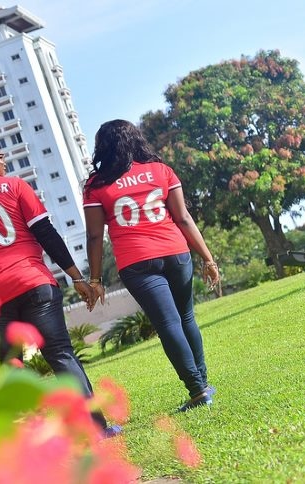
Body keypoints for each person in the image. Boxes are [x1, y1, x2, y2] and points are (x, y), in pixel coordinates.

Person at [0, 138, 118, 436]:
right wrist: (76, 277)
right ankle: (96, 430)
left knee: (9, 368)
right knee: (60, 354)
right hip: (34, 284)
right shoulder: (15, 186)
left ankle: (18, 443)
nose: (4, 161)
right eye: (0, 156)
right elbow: (45, 233)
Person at [82, 119, 220, 412]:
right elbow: (183, 218)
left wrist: (95, 280)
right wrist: (208, 258)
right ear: (136, 140)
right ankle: (202, 385)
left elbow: (94, 236)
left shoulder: (96, 185)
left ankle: (198, 390)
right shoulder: (161, 170)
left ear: (102, 147)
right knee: (186, 317)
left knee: (169, 324)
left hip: (136, 261)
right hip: (176, 252)